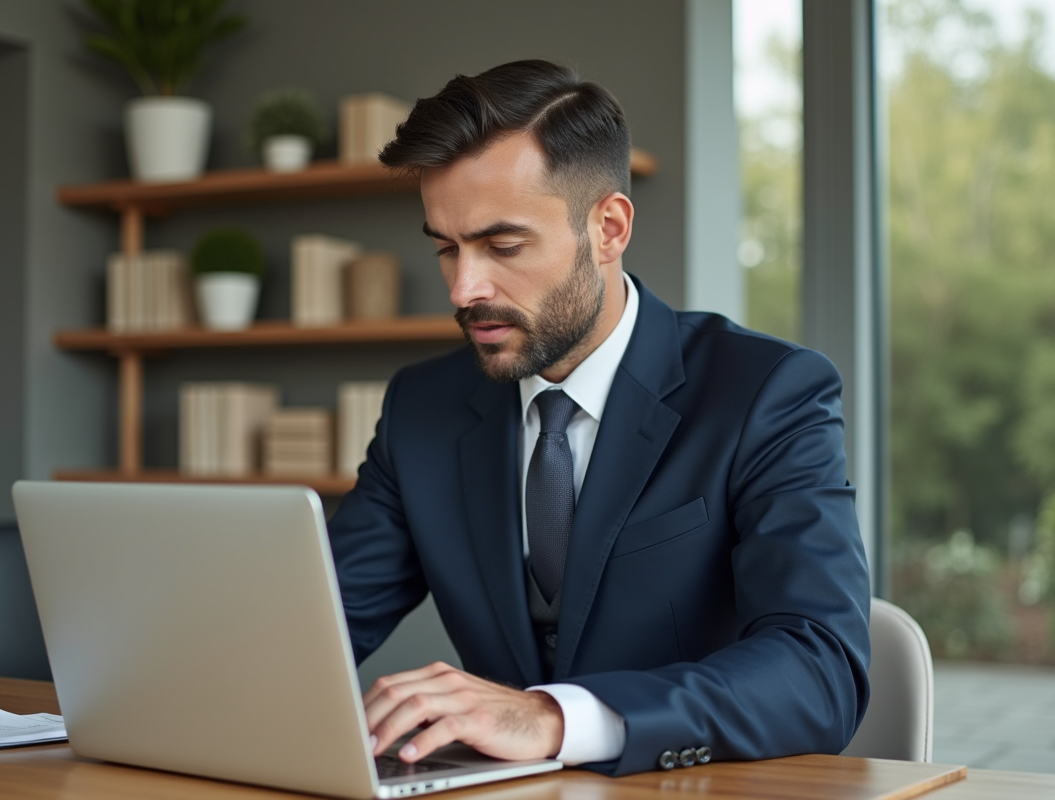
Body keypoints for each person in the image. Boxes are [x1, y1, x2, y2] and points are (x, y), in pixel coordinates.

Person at [327, 59, 871, 777]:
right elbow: (312, 627)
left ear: (609, 228)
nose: (465, 288)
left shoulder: (768, 392)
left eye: (503, 245)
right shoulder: (421, 409)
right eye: (446, 248)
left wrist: (553, 716)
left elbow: (821, 668)